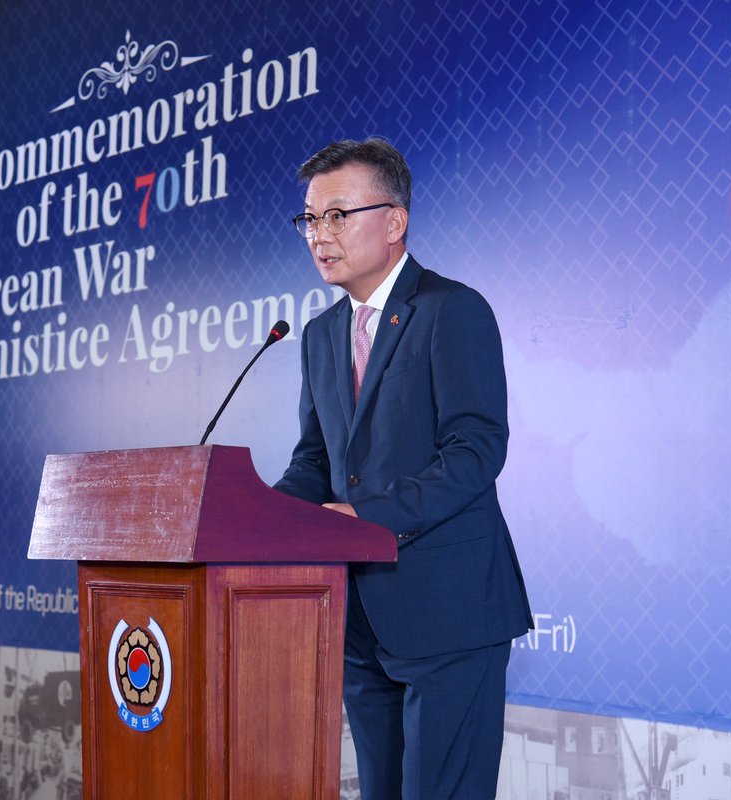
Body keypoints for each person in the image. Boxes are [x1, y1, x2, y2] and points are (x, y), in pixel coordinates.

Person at [273, 138, 533, 799]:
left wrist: (367, 518)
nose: (318, 235)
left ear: (395, 221)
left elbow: (477, 450)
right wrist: (267, 519)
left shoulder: (452, 310)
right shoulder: (319, 335)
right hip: (362, 616)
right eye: (309, 218)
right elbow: (316, 458)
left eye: (338, 215)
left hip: (450, 609)